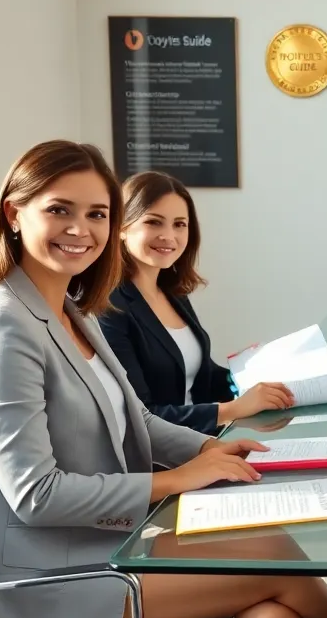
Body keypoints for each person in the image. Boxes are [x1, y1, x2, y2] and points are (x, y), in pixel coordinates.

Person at [0, 141, 327, 618]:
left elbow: (137, 419)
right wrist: (174, 479)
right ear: (14, 214)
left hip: (106, 543)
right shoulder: (2, 325)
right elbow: (36, 495)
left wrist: (205, 449)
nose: (80, 229)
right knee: (273, 556)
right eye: (59, 209)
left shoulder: (74, 309)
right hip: (47, 582)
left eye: (96, 213)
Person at [99, 171, 293, 434]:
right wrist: (234, 409)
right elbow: (141, 414)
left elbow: (203, 376)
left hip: (204, 442)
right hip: (162, 460)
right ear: (122, 228)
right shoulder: (109, 307)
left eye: (179, 224)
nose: (169, 236)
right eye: (154, 222)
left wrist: (250, 375)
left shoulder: (172, 293)